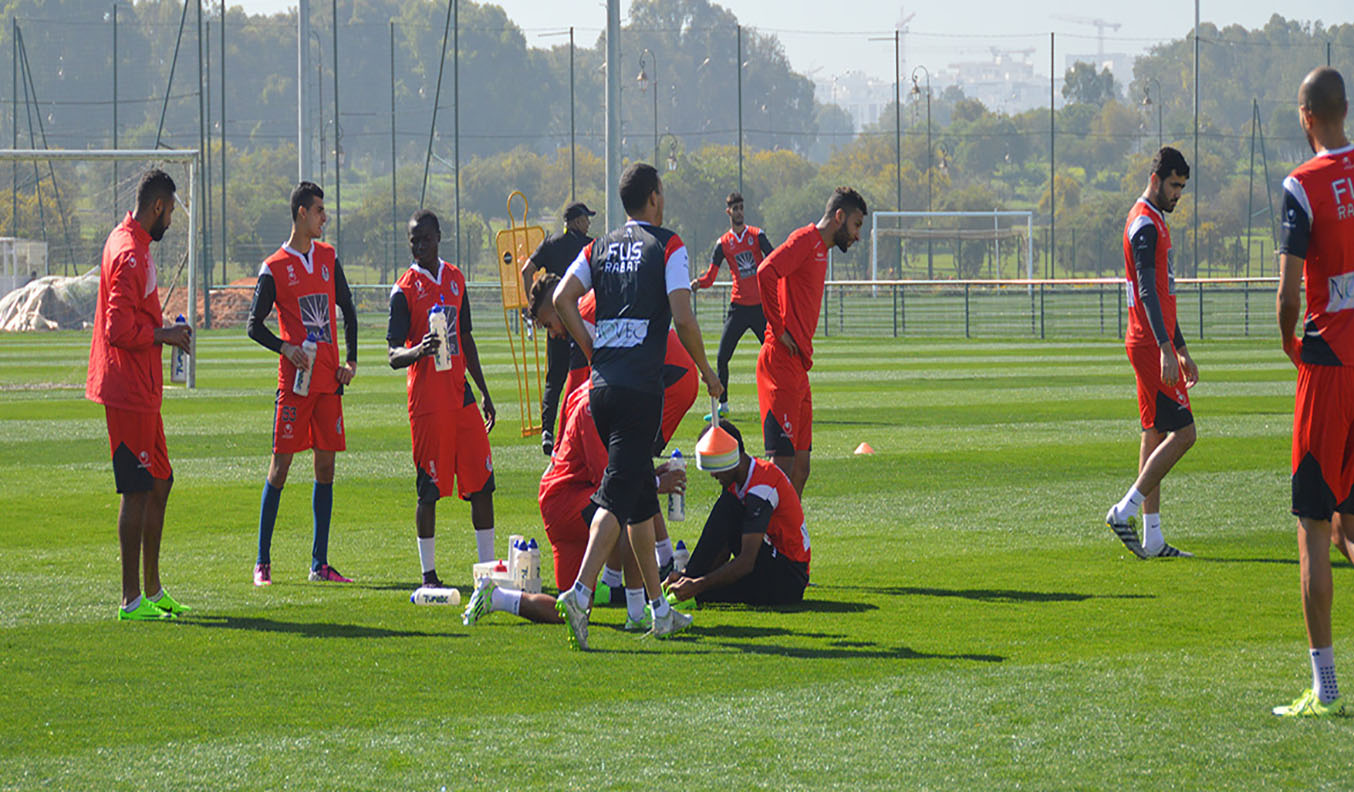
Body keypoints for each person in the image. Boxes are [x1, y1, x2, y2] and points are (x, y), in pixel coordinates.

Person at [551, 162, 722, 649]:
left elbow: (564, 298)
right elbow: (684, 317)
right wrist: (707, 372)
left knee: (641, 504)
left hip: (602, 389)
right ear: (655, 197)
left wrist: (592, 350)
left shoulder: (597, 245)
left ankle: (660, 610)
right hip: (640, 390)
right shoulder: (668, 244)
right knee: (618, 495)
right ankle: (580, 594)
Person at [527, 272, 697, 610]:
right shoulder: (590, 310)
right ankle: (648, 591)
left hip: (664, 382)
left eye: (549, 324)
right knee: (629, 487)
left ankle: (646, 595)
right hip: (658, 381)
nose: (555, 334)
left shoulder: (583, 319)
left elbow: (580, 389)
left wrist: (559, 445)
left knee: (627, 490)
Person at [462, 378, 686, 629]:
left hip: (563, 496)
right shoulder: (593, 404)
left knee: (574, 609)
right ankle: (636, 611)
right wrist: (655, 485)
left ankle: (496, 597)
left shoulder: (593, 393)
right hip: (567, 498)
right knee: (626, 509)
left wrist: (653, 475)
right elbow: (614, 485)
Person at [1272, 66, 1354, 718]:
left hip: (1328, 366)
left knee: (1313, 529)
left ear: (1306, 117)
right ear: (1345, 110)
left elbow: (1289, 293)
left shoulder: (1302, 185)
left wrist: (1290, 345)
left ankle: (1325, 689)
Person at [86, 168, 193, 621]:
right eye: (169, 213)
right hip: (127, 388)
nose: (170, 222)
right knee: (135, 490)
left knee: (161, 480)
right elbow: (117, 328)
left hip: (143, 389)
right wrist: (165, 335)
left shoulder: (131, 242)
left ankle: (152, 589)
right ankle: (131, 600)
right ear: (158, 208)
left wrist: (161, 327)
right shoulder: (130, 252)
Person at [246, 182, 358, 586]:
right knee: (280, 468)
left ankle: (319, 564)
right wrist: (285, 348)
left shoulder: (328, 257)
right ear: (300, 214)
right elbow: (253, 326)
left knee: (325, 467)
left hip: (328, 382)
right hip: (295, 385)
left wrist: (350, 360)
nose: (324, 217)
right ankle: (262, 562)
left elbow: (348, 309)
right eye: (318, 211)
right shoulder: (273, 267)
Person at [387, 210, 498, 588]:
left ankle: (488, 571)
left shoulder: (455, 279)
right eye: (414, 241)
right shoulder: (403, 290)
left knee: (482, 483)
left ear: (439, 237)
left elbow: (466, 337)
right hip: (428, 402)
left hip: (461, 395)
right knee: (430, 489)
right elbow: (391, 355)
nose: (420, 246)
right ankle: (428, 575)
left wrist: (483, 390)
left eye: (426, 239)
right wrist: (418, 350)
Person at [1103, 147, 1197, 560]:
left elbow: (1161, 293)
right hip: (1146, 342)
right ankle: (1123, 511)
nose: (1178, 194)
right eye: (1174, 186)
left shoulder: (1154, 220)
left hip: (1149, 340)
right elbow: (1145, 292)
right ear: (1156, 178)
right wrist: (1164, 348)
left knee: (1153, 433)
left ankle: (1153, 537)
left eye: (1181, 188)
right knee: (1185, 433)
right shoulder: (1145, 223)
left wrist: (1181, 348)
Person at [755, 186, 867, 497]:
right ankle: (760, 538)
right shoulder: (805, 241)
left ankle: (789, 540)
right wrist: (778, 328)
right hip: (780, 362)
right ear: (839, 217)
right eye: (856, 225)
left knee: (801, 468)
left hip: (799, 367)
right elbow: (765, 271)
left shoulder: (820, 249)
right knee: (781, 465)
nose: (858, 235)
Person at [665, 421, 809, 606]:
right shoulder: (738, 482)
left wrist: (698, 583)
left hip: (787, 578)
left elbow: (746, 561)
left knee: (728, 507)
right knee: (706, 590)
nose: (713, 475)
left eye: (715, 466)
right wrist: (692, 577)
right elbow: (723, 545)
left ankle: (684, 590)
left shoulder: (762, 486)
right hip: (771, 565)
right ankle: (683, 585)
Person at [520, 201, 596, 455]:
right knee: (582, 377)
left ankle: (548, 431)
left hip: (555, 318)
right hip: (583, 317)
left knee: (555, 377)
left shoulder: (551, 243)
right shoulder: (589, 245)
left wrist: (534, 307)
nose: (588, 223)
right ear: (576, 221)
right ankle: (576, 434)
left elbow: (526, 270)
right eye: (586, 218)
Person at [690, 191, 773, 420]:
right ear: (728, 212)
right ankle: (723, 406)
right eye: (734, 208)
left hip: (760, 308)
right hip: (738, 308)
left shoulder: (757, 235)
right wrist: (699, 283)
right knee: (721, 357)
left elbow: (774, 258)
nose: (738, 212)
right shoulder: (723, 243)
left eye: (741, 208)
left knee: (775, 355)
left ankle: (779, 399)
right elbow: (711, 276)